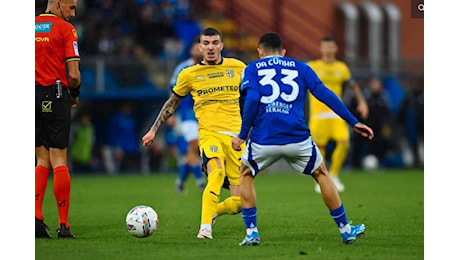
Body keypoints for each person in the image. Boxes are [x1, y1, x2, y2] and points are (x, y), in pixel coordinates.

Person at [231, 32, 374, 246]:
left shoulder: (251, 68)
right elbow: (324, 93)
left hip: (264, 138)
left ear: (260, 52)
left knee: (246, 173)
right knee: (321, 173)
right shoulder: (301, 67)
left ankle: (252, 232)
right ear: (284, 52)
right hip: (298, 138)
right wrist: (353, 121)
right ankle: (345, 230)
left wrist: (243, 134)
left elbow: (251, 98)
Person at [142, 27, 246, 239]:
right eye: (205, 43)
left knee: (241, 203)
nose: (210, 47)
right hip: (209, 134)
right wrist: (153, 130)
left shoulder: (238, 68)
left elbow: (253, 98)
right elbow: (171, 103)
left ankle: (214, 211)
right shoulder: (189, 74)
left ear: (221, 46)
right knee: (215, 174)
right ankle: (205, 227)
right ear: (199, 47)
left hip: (236, 138)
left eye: (214, 43)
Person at [35, 0, 81, 238]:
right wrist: (74, 95)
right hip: (55, 94)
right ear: (57, 4)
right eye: (71, 8)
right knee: (59, 158)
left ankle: (36, 219)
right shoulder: (65, 29)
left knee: (41, 159)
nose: (72, 14)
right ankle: (63, 225)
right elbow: (73, 75)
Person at [308, 36, 369, 193]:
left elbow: (353, 85)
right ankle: (321, 179)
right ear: (321, 49)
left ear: (335, 49)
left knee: (344, 142)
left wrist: (361, 101)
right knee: (319, 148)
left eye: (331, 47)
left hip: (336, 114)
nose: (328, 50)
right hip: (318, 115)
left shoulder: (341, 68)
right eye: (325, 47)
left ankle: (334, 175)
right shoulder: (312, 66)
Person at [169, 36, 205, 193]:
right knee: (193, 146)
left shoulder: (209, 68)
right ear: (191, 50)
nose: (198, 50)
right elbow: (173, 92)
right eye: (196, 47)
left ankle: (180, 181)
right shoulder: (183, 68)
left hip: (206, 115)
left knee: (193, 150)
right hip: (187, 114)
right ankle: (200, 181)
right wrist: (170, 113)